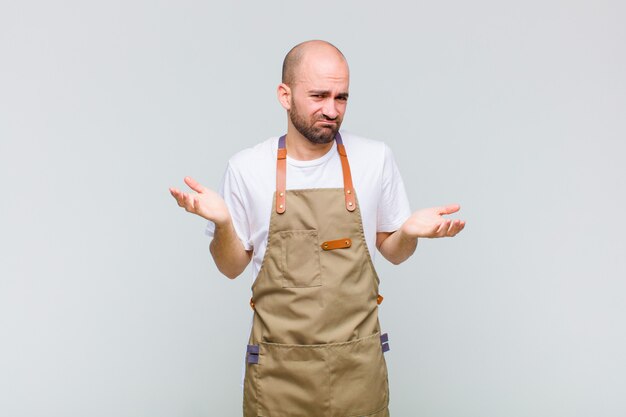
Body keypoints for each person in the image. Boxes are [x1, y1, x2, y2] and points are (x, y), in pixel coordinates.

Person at [170, 40, 465, 417]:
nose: (332, 110)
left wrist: (407, 233)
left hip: (359, 373)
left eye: (341, 97)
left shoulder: (375, 158)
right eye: (319, 95)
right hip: (278, 379)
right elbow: (231, 268)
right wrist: (224, 222)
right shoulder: (247, 167)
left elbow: (393, 252)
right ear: (285, 95)